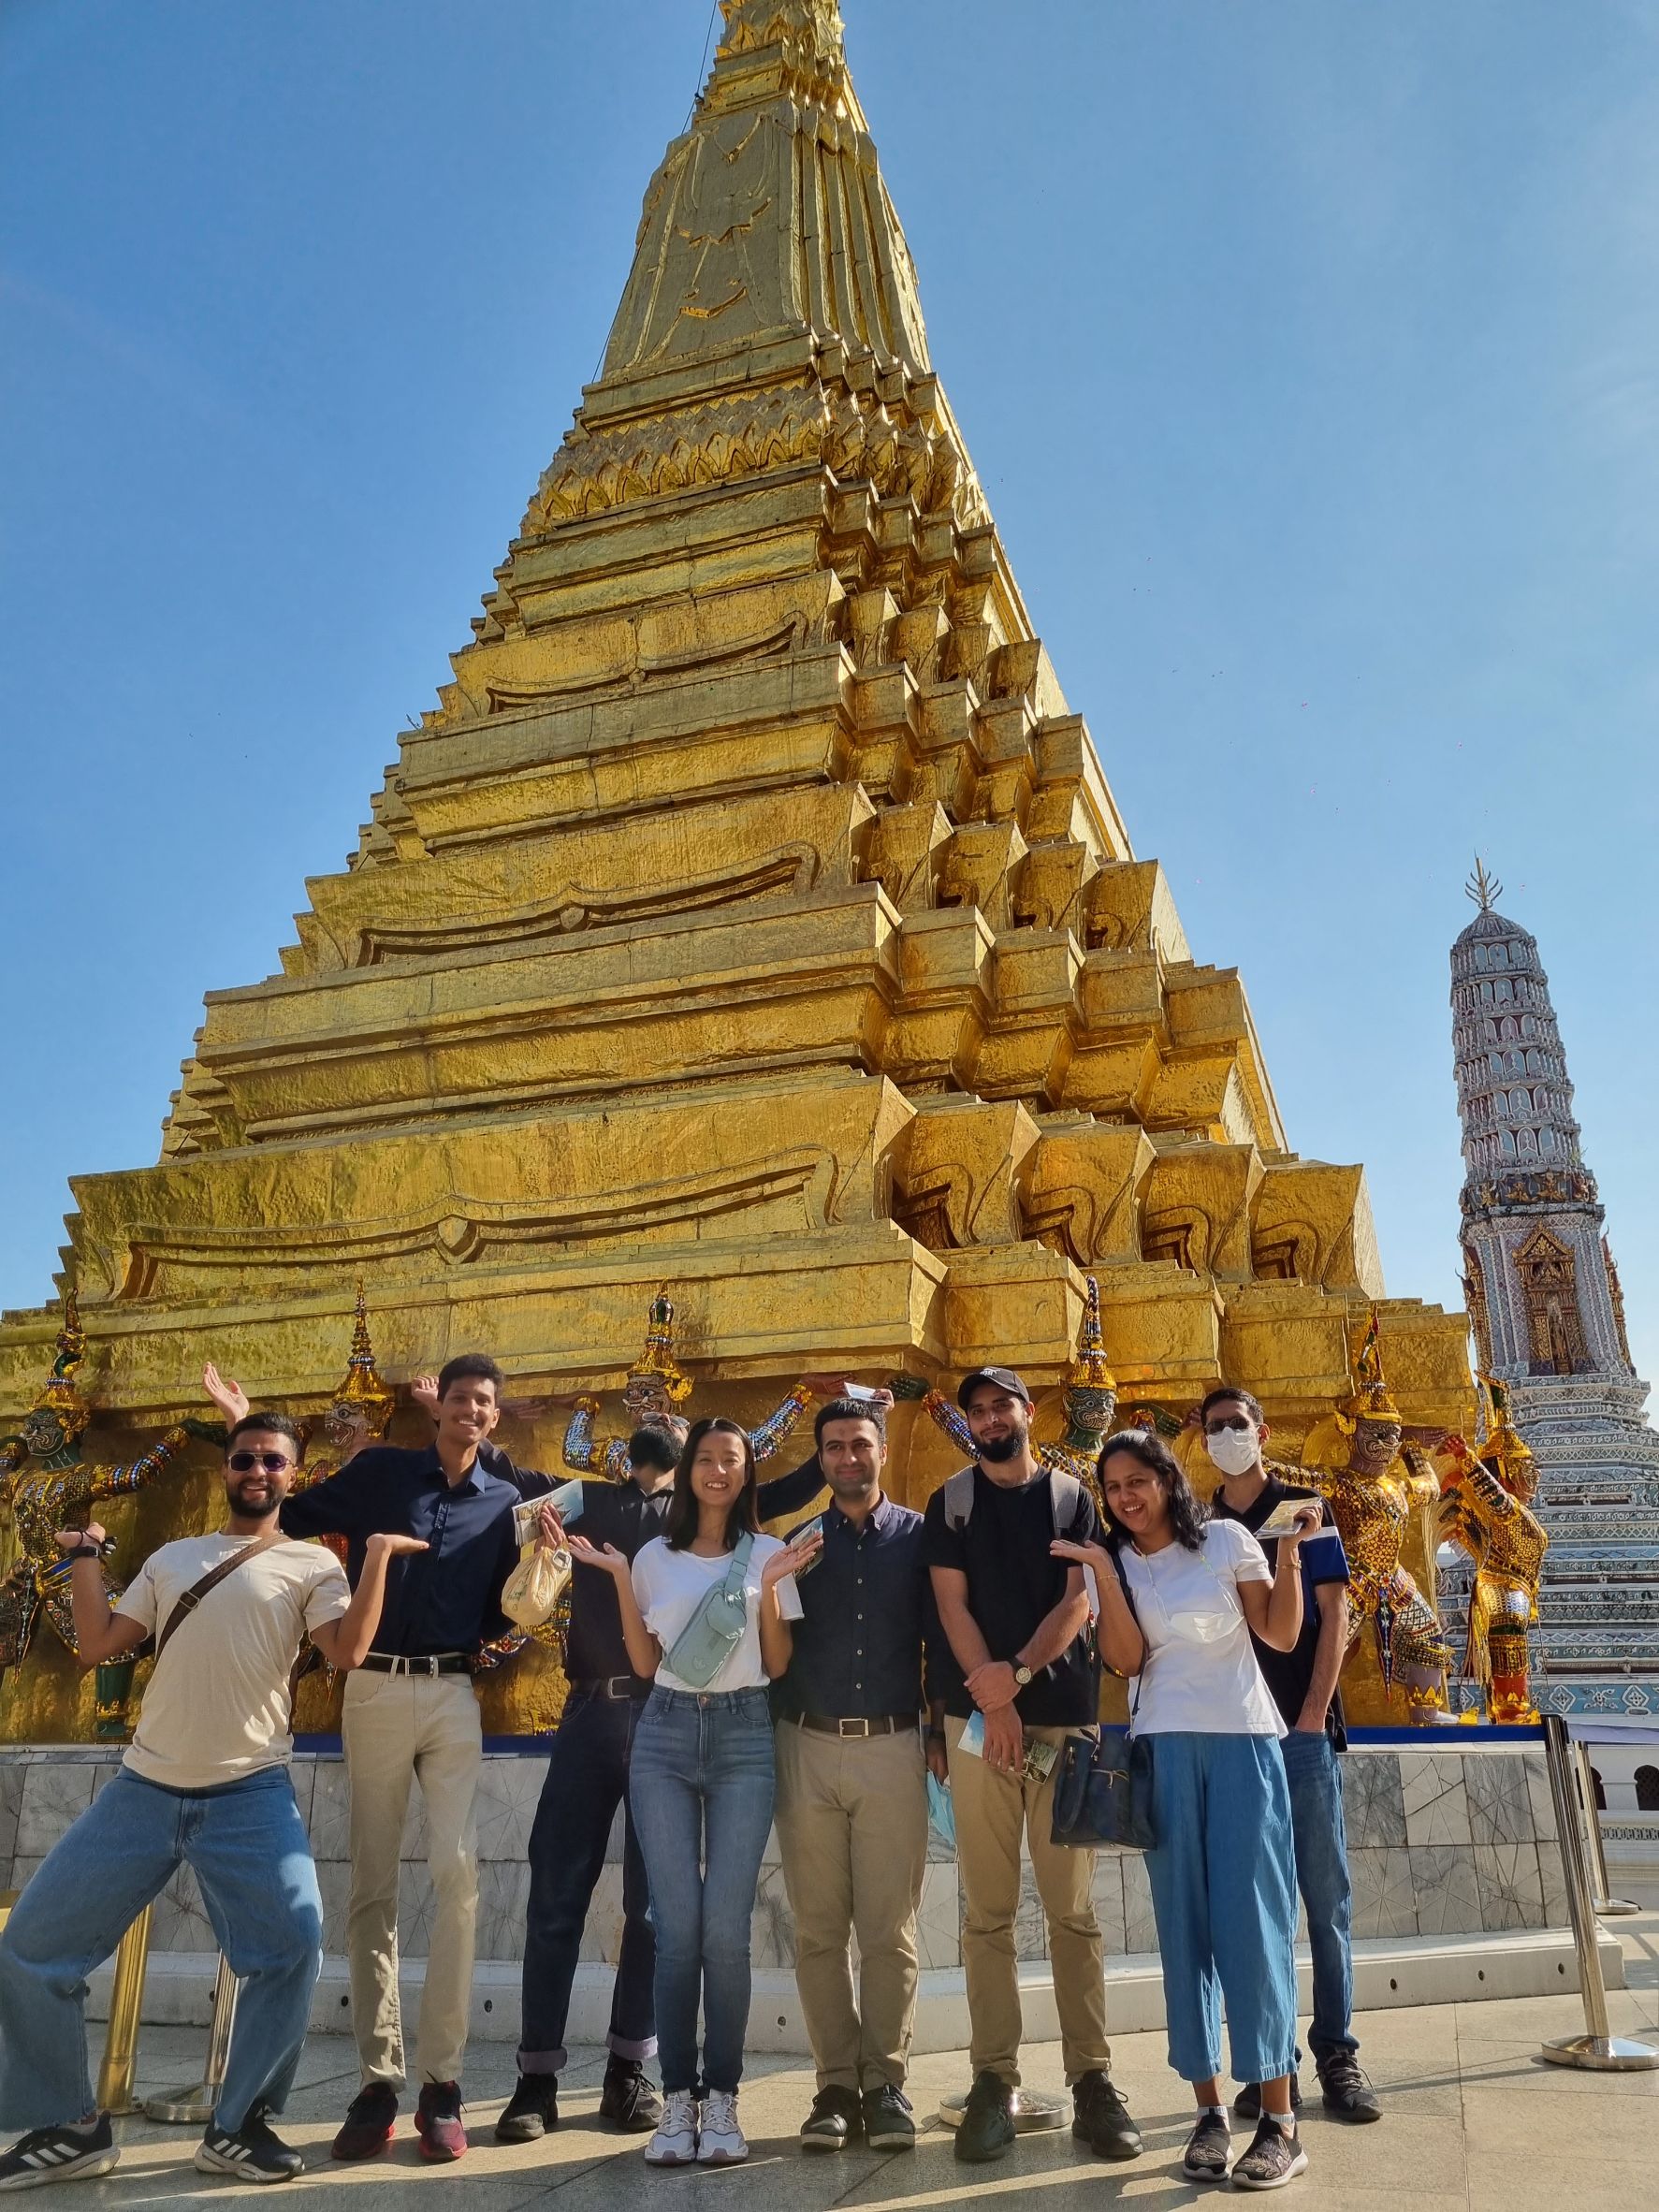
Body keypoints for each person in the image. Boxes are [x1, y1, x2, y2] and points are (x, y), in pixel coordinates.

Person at [0, 1413, 423, 2189]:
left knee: (292, 1945)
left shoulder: (311, 1564)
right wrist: (85, 1556)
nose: (257, 1471)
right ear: (225, 1470)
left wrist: (377, 1561)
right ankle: (70, 2125)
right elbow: (99, 1645)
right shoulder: (174, 1557)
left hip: (248, 1791)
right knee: (30, 1947)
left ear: (292, 1476)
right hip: (144, 1787)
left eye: (273, 1462)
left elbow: (348, 1651)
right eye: (245, 1459)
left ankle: (238, 2126)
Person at [278, 1352, 556, 2165]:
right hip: (372, 1687)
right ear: (439, 1407)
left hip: (452, 1694)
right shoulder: (381, 1475)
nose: (471, 1410)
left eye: (484, 1402)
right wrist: (243, 1433)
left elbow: (510, 1606)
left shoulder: (503, 1502)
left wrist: (543, 1560)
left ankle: (442, 2081)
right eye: (460, 1397)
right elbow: (291, 1516)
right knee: (372, 1885)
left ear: (494, 1417)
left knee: (457, 1877)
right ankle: (378, 2081)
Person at [1054, 1428, 1319, 2190]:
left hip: (1242, 1742)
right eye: (1112, 1488)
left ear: (1168, 1480)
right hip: (1163, 1749)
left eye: (1137, 1481)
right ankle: (1207, 2112)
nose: (1126, 1498)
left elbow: (1279, 1632)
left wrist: (1288, 1553)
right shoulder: (1116, 1560)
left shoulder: (1227, 1540)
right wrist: (1103, 1572)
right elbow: (1126, 1660)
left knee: (1253, 1926)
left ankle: (1278, 2121)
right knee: (1185, 1928)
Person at [568, 1418, 820, 2169]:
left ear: (746, 1472)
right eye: (704, 1459)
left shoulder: (767, 1554)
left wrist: (766, 1591)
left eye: (729, 1460)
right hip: (665, 1737)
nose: (716, 1471)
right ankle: (677, 2098)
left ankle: (723, 2099)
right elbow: (646, 1665)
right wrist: (619, 1578)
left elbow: (777, 1663)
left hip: (744, 1736)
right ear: (687, 1471)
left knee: (724, 1933)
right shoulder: (654, 1557)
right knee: (674, 1929)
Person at [924, 1366, 1141, 2167]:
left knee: (1071, 1910)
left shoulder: (1070, 1498)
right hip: (978, 1725)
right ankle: (992, 2079)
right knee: (986, 1912)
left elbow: (1078, 1600)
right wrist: (992, 1700)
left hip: (1060, 1718)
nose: (989, 1420)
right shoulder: (950, 1503)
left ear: (1026, 1412)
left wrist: (1013, 1679)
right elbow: (949, 1605)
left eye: (1001, 1407)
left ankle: (1091, 2078)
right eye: (977, 1410)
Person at [494, 1420, 685, 2145]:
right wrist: (462, 1417)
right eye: (648, 1422)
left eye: (674, 1420)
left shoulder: (705, 1510)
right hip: (589, 1716)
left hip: (666, 1718)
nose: (659, 1426)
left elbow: (786, 1489)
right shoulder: (589, 1501)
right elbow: (509, 1477)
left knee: (651, 1909)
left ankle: (628, 2070)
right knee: (555, 1897)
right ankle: (536, 2078)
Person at [1201, 1387, 1381, 2125]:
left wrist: (1312, 1711)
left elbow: (1335, 1613)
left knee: (1323, 1898)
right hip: (1238, 1735)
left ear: (1261, 1430)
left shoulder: (1303, 1508)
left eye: (1236, 1424)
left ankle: (1337, 2051)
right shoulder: (1205, 1525)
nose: (1225, 1436)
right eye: (1213, 1428)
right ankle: (1274, 2063)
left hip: (1300, 1731)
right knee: (1258, 1906)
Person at [772, 1396, 939, 2156]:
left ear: (881, 1450)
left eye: (859, 1444)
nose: (847, 1457)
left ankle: (886, 2084)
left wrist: (937, 1731)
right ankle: (835, 2086)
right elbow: (774, 1649)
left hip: (891, 1747)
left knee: (888, 1931)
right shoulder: (797, 1544)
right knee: (817, 1931)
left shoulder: (920, 1539)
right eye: (834, 1446)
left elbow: (941, 1640)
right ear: (820, 1458)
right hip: (805, 1746)